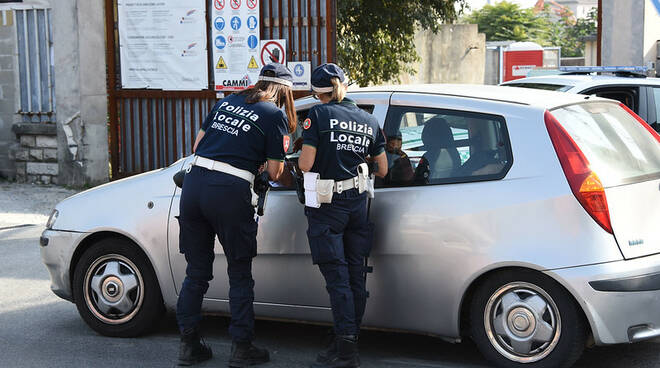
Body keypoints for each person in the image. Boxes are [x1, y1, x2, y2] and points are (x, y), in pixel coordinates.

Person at [175, 63, 297, 367]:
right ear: (284, 92)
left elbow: (197, 146)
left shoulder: (227, 101)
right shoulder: (274, 115)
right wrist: (287, 178)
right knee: (240, 272)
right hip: (229, 192)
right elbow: (275, 170)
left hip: (194, 184)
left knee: (196, 271)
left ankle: (189, 346)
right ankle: (242, 349)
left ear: (258, 83)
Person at [298, 63, 388, 368]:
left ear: (316, 93)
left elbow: (306, 165)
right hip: (358, 204)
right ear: (345, 86)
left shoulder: (318, 115)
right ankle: (346, 340)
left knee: (337, 280)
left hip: (328, 206)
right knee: (354, 277)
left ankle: (346, 351)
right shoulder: (369, 119)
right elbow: (384, 168)